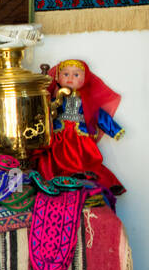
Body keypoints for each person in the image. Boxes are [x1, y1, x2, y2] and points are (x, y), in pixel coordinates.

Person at [38, 59, 125, 195]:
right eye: (65, 74)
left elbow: (99, 115)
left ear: (85, 79)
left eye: (76, 75)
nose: (70, 78)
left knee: (86, 162)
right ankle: (61, 182)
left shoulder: (86, 102)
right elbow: (45, 114)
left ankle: (104, 183)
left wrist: (115, 130)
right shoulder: (55, 101)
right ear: (57, 78)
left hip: (80, 140)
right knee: (55, 160)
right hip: (59, 137)